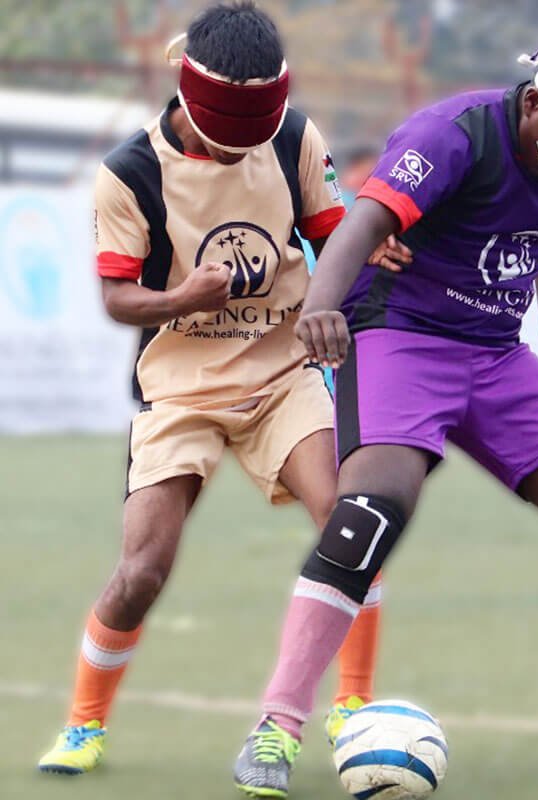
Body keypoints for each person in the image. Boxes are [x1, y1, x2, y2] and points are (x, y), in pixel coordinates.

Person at [233, 46, 538, 795]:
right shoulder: (454, 132)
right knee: (366, 517)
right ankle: (276, 728)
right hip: (401, 334)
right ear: (532, 106)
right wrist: (323, 305)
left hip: (494, 353)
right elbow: (365, 221)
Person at [37, 1, 409, 778]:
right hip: (180, 390)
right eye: (227, 135)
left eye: (257, 132)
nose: (245, 148)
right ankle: (84, 724)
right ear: (189, 95)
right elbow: (117, 299)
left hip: (282, 375)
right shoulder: (128, 174)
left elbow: (335, 230)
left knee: (352, 527)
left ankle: (350, 706)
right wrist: (180, 299)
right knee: (142, 571)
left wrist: (376, 253)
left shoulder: (294, 136)